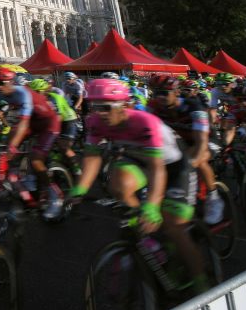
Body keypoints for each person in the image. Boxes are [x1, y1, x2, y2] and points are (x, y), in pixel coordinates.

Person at [71, 78, 207, 293]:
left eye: (106, 107)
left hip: (172, 166)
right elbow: (92, 157)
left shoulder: (145, 122)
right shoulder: (95, 122)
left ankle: (203, 285)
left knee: (174, 227)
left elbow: (157, 168)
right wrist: (79, 189)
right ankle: (149, 238)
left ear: (124, 105)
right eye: (95, 107)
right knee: (118, 184)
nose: (100, 114)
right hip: (138, 160)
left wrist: (152, 205)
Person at [0, 68, 63, 218]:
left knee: (35, 159)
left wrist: (12, 147)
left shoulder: (23, 93)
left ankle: (55, 195)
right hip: (31, 122)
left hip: (48, 122)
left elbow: (23, 125)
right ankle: (23, 180)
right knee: (6, 150)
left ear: (11, 82)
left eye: (1, 83)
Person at [147, 75, 224, 224]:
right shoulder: (153, 106)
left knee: (197, 161)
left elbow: (201, 142)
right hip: (180, 143)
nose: (159, 97)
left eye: (164, 93)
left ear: (176, 92)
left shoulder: (194, 107)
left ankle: (214, 198)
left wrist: (188, 167)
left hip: (207, 139)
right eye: (156, 93)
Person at [28, 78, 80, 175]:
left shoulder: (53, 98)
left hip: (67, 120)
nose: (34, 94)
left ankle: (76, 168)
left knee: (63, 146)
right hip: (55, 120)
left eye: (36, 92)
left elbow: (58, 118)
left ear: (42, 91)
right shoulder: (38, 99)